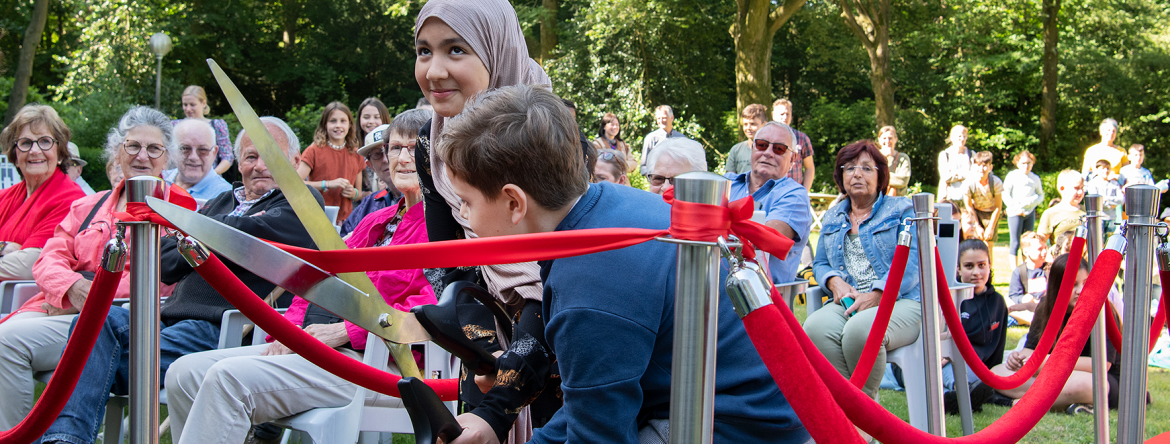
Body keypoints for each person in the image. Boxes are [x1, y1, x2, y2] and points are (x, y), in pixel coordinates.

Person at [438, 83, 810, 444]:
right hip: (742, 406)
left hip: (737, 425)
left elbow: (598, 435)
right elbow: (593, 399)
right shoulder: (607, 206)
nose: (464, 217)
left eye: (466, 202)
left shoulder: (591, 280)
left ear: (515, 204)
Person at [36, 116, 322, 444]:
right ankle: (63, 439)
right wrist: (216, 235)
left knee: (92, 357)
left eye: (271, 156)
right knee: (91, 326)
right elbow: (165, 259)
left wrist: (199, 232)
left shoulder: (302, 203)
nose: (260, 166)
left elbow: (237, 242)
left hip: (221, 328)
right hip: (168, 317)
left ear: (296, 162)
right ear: (238, 162)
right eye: (250, 156)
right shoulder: (224, 201)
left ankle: (63, 439)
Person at [165, 114, 436, 444]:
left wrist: (341, 332)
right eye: (395, 148)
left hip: (389, 366)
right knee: (184, 374)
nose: (404, 158)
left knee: (226, 380)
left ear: (438, 155)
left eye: (415, 147)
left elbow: (430, 310)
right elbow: (317, 281)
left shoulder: (445, 227)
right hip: (328, 354)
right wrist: (292, 333)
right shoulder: (375, 222)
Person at [410, 1, 579, 440]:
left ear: (497, 51)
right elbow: (448, 256)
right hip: (485, 325)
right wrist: (474, 337)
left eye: (456, 50)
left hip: (561, 330)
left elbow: (557, 276)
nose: (434, 71)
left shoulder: (549, 131)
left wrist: (500, 403)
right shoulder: (431, 144)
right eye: (424, 51)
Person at [0, 106, 179, 430]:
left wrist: (87, 295)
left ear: (167, 159)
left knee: (5, 343)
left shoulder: (181, 213)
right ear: (117, 153)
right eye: (133, 146)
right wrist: (70, 290)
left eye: (154, 149)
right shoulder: (87, 205)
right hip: (54, 308)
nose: (143, 156)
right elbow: (48, 259)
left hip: (120, 324)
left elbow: (164, 282)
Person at [804, 139, 921, 400]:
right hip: (851, 300)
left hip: (901, 300)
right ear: (840, 176)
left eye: (867, 168)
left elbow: (912, 264)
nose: (857, 174)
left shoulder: (902, 209)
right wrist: (834, 281)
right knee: (814, 328)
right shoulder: (834, 216)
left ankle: (863, 414)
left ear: (881, 177)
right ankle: (850, 411)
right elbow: (820, 262)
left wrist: (878, 294)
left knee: (860, 330)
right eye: (850, 168)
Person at [982, 253, 1121, 413]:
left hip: (1097, 379)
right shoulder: (1045, 306)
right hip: (1051, 376)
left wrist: (1054, 362)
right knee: (998, 372)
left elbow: (1102, 365)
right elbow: (1030, 350)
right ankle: (1066, 402)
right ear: (1058, 286)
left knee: (1088, 385)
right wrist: (1018, 358)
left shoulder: (1103, 311)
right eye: (1073, 284)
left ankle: (1021, 403)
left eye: (1085, 282)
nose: (1080, 290)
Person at [0, 105, 86, 284]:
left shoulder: (71, 199)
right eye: (25, 143)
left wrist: (18, 252)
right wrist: (4, 247)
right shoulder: (4, 197)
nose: (35, 151)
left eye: (45, 141)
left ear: (60, 151)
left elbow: (31, 265)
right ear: (15, 155)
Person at [725, 121, 811, 283]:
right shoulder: (726, 183)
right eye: (762, 145)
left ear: (792, 158)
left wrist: (712, 223)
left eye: (779, 149)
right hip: (714, 290)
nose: (768, 153)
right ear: (752, 148)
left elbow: (764, 239)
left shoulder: (795, 195)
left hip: (762, 297)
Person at [942, 239, 1008, 415]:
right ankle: (961, 394)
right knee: (950, 370)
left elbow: (997, 345)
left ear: (989, 266)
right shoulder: (950, 297)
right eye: (969, 266)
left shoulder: (998, 302)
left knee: (978, 376)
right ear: (958, 268)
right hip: (948, 361)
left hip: (980, 366)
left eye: (981, 265)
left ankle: (959, 396)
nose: (976, 272)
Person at [340, 111, 429, 236]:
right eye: (395, 148)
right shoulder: (370, 211)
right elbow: (341, 246)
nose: (401, 158)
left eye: (413, 147)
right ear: (370, 165)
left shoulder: (453, 215)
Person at [297, 101, 368, 222]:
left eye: (343, 121)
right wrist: (328, 184)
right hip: (316, 218)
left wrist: (353, 193)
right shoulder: (313, 150)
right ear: (325, 124)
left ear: (350, 125)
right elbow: (296, 183)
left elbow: (358, 194)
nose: (338, 125)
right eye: (333, 121)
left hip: (345, 221)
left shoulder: (356, 154)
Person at [164, 119, 233, 201]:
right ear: (173, 150)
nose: (193, 157)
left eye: (203, 150)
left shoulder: (226, 197)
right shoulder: (158, 180)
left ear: (214, 153)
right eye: (185, 148)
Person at [179, 85, 234, 175]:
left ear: (203, 103)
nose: (188, 109)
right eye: (185, 105)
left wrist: (212, 175)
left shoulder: (216, 125)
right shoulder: (175, 126)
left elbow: (227, 157)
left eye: (192, 105)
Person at [1003, 150, 1044, 265]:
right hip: (1015, 213)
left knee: (1028, 241)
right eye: (1023, 163)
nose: (1026, 166)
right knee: (1015, 242)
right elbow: (1005, 194)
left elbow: (1040, 195)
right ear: (1017, 163)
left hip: (1029, 212)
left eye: (1028, 163)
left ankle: (1027, 266)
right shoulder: (1012, 176)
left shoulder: (1035, 178)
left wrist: (1032, 202)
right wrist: (1015, 208)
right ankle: (1014, 269)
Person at [961, 151, 1002, 261]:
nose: (981, 169)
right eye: (978, 165)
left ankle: (989, 274)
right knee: (974, 244)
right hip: (975, 212)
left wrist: (991, 228)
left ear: (990, 167)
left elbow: (998, 207)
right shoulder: (968, 183)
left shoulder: (996, 183)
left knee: (988, 246)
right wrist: (977, 225)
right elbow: (968, 206)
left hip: (991, 213)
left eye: (984, 166)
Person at [772, 99, 815, 189]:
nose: (785, 117)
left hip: (794, 191)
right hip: (771, 191)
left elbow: (809, 167)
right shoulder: (765, 138)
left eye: (788, 114)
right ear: (773, 115)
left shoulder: (802, 138)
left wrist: (804, 191)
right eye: (782, 114)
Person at [1007, 231, 1048, 325]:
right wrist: (1023, 299)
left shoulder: (1049, 269)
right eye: (1040, 249)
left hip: (1044, 307)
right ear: (1026, 251)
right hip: (1027, 309)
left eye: (1045, 248)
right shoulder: (1019, 272)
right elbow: (1013, 295)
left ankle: (1035, 320)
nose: (1044, 252)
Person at [1038, 169, 1086, 245]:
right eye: (1076, 188)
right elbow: (1041, 242)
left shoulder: (1087, 211)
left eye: (1082, 188)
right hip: (1062, 255)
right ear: (1062, 188)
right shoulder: (1051, 213)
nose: (1080, 192)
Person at [639, 105, 684, 173]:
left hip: (677, 180)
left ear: (672, 118)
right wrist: (653, 180)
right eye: (658, 118)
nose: (661, 121)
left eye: (664, 118)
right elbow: (644, 166)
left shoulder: (681, 139)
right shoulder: (651, 138)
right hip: (658, 180)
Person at [724, 104, 767, 175]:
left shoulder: (771, 150)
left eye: (753, 124)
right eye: (745, 124)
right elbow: (730, 179)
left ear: (764, 124)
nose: (748, 128)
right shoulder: (736, 150)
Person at [1085, 159, 1124, 232]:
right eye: (1103, 168)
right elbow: (1096, 201)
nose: (1106, 170)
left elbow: (1121, 199)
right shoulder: (1092, 184)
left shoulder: (1114, 184)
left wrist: (1106, 199)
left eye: (1108, 168)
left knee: (1110, 240)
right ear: (1096, 170)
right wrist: (1111, 205)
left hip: (1112, 217)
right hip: (1099, 217)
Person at [937, 125, 972, 204]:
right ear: (952, 137)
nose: (962, 139)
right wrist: (965, 175)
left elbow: (975, 175)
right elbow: (946, 176)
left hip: (968, 199)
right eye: (959, 136)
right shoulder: (945, 155)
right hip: (949, 197)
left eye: (964, 136)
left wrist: (955, 174)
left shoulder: (971, 154)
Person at [878, 126, 911, 196]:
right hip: (876, 200)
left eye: (890, 138)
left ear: (895, 139)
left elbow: (903, 181)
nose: (887, 141)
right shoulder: (873, 157)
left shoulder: (903, 158)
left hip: (899, 200)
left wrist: (880, 177)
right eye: (884, 138)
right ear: (879, 140)